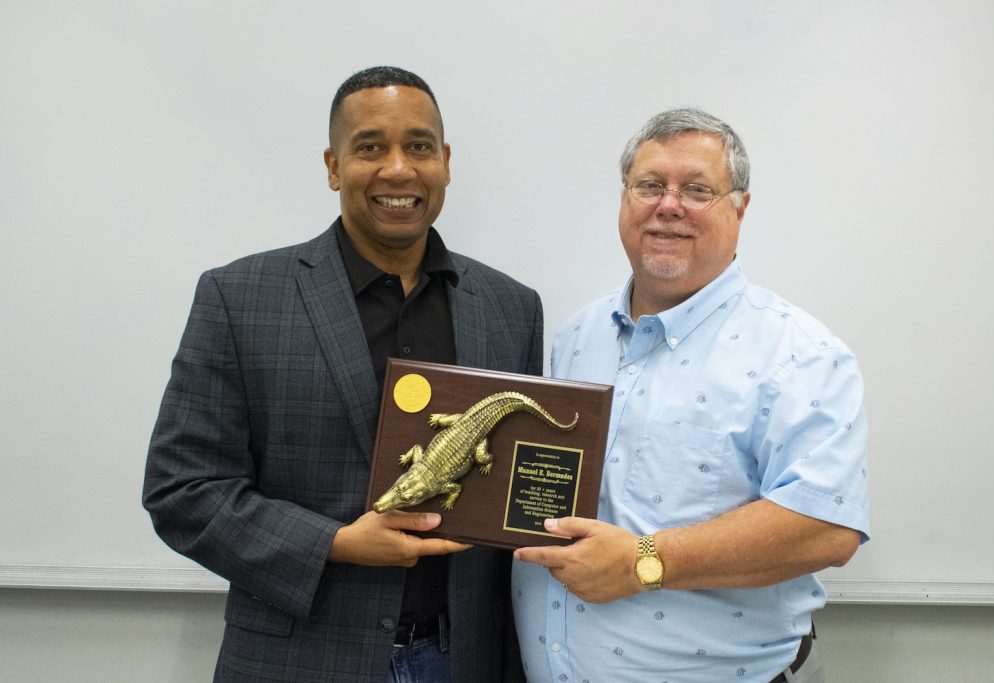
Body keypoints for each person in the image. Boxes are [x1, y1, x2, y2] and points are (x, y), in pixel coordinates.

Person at [143, 66, 536, 682]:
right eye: (370, 148)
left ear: (445, 162)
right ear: (333, 166)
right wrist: (334, 544)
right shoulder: (239, 297)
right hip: (298, 661)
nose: (398, 169)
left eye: (419, 147)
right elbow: (181, 490)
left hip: (463, 661)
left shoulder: (512, 307)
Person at [511, 108, 869, 682]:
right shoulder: (577, 335)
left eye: (697, 190)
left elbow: (826, 528)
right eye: (649, 185)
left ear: (740, 208)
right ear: (624, 197)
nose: (669, 205)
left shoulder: (800, 355)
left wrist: (644, 562)